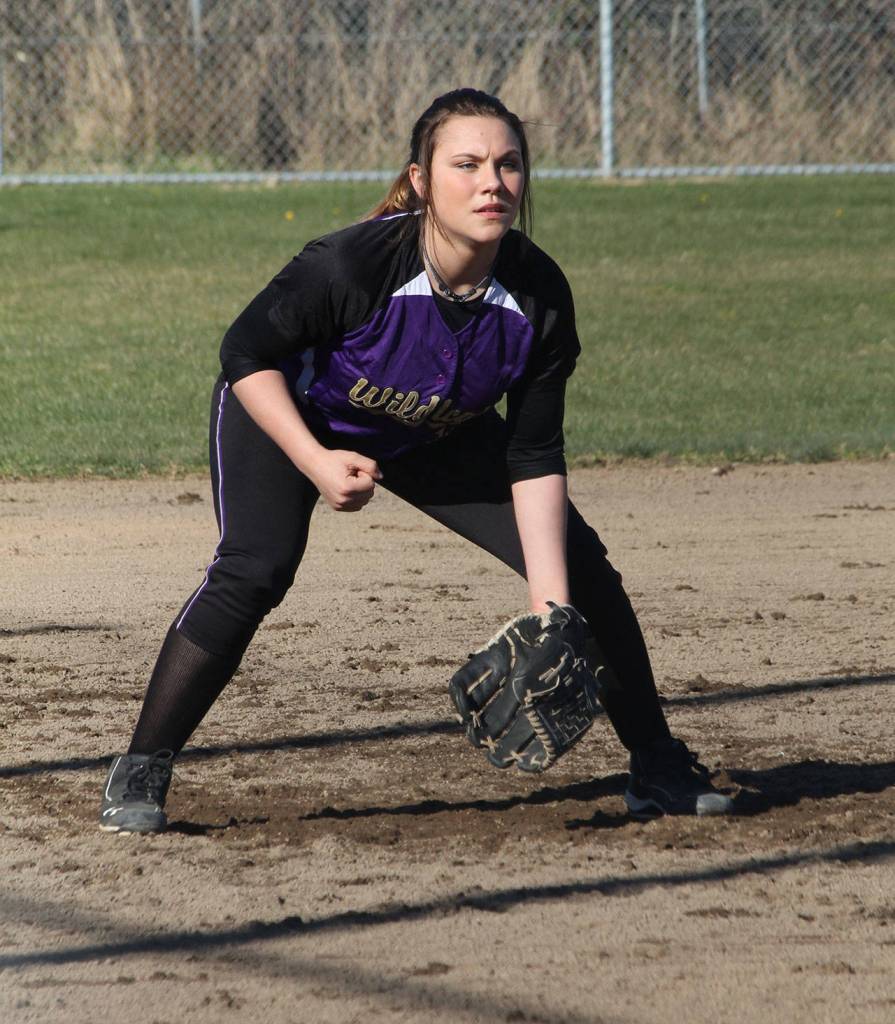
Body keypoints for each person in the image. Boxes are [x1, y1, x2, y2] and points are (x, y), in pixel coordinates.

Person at [99, 88, 733, 834]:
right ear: (423, 180)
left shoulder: (538, 299)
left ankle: (656, 763)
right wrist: (314, 460)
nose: (490, 182)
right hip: (295, 411)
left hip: (432, 428)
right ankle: (143, 764)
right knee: (255, 566)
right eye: (465, 164)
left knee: (580, 571)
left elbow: (532, 454)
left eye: (507, 164)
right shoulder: (350, 266)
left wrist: (551, 610)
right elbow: (244, 355)